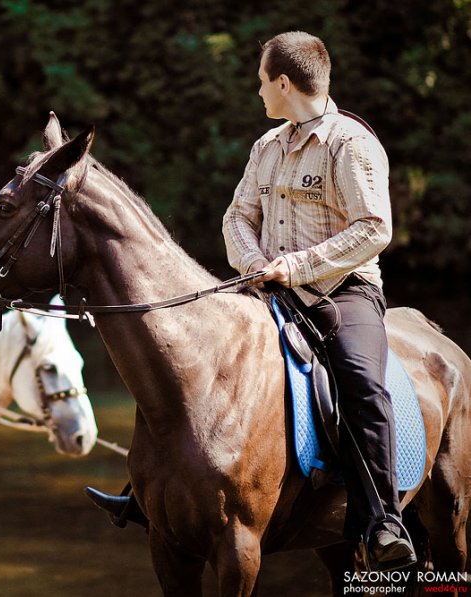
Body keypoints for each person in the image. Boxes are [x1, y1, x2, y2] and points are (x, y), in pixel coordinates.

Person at [88, 31, 416, 571]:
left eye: (262, 80)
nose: (258, 90)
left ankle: (383, 520)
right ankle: (153, 493)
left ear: (284, 82)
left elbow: (374, 228)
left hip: (343, 291)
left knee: (361, 383)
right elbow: (237, 217)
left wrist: (296, 266)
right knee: (189, 365)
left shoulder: (351, 144)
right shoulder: (267, 147)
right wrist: (255, 263)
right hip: (266, 286)